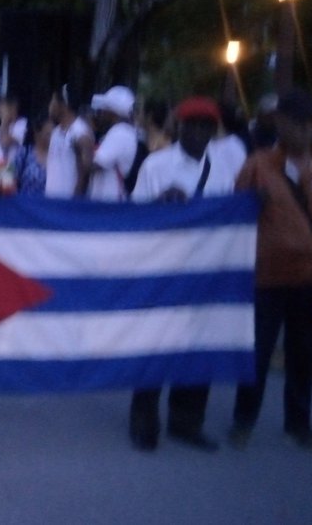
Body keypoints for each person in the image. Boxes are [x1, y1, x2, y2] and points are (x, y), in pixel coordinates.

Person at [229, 91, 312, 456]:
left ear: (311, 126)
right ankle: (243, 420)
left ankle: (298, 425)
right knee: (258, 353)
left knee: (304, 354)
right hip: (265, 278)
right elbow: (233, 213)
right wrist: (252, 203)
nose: (283, 132)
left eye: (290, 125)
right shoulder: (258, 164)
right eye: (278, 124)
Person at [128, 96, 245, 453]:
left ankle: (186, 421)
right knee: (156, 344)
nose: (197, 133)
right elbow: (133, 215)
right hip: (163, 268)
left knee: (198, 348)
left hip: (204, 271)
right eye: (190, 125)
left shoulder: (224, 171)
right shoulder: (156, 165)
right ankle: (143, 419)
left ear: (213, 131)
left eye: (204, 127)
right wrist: (160, 203)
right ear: (179, 127)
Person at [84, 86, 138, 201]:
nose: (101, 112)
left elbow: (93, 166)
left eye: (105, 108)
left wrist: (83, 139)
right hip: (105, 201)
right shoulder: (121, 131)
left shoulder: (120, 132)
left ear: (113, 112)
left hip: (110, 202)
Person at [46, 86, 95, 198]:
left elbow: (85, 172)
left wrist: (74, 201)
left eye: (53, 101)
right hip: (50, 201)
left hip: (68, 204)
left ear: (63, 105)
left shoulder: (81, 132)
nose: (50, 106)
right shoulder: (56, 132)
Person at [10, 117, 53, 195]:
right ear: (37, 133)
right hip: (26, 204)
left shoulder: (58, 156)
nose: (51, 138)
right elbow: (9, 177)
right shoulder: (23, 153)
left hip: (51, 205)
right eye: (48, 134)